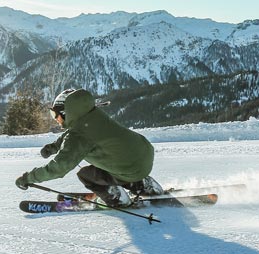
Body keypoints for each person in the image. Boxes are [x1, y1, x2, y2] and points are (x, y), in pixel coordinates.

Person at [15, 88, 164, 207]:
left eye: (55, 114)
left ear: (66, 113)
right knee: (110, 163)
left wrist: (28, 178)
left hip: (129, 168)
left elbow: (59, 168)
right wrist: (54, 147)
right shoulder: (92, 115)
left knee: (86, 175)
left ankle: (117, 197)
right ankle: (143, 184)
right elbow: (75, 132)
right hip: (143, 155)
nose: (55, 119)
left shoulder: (79, 135)